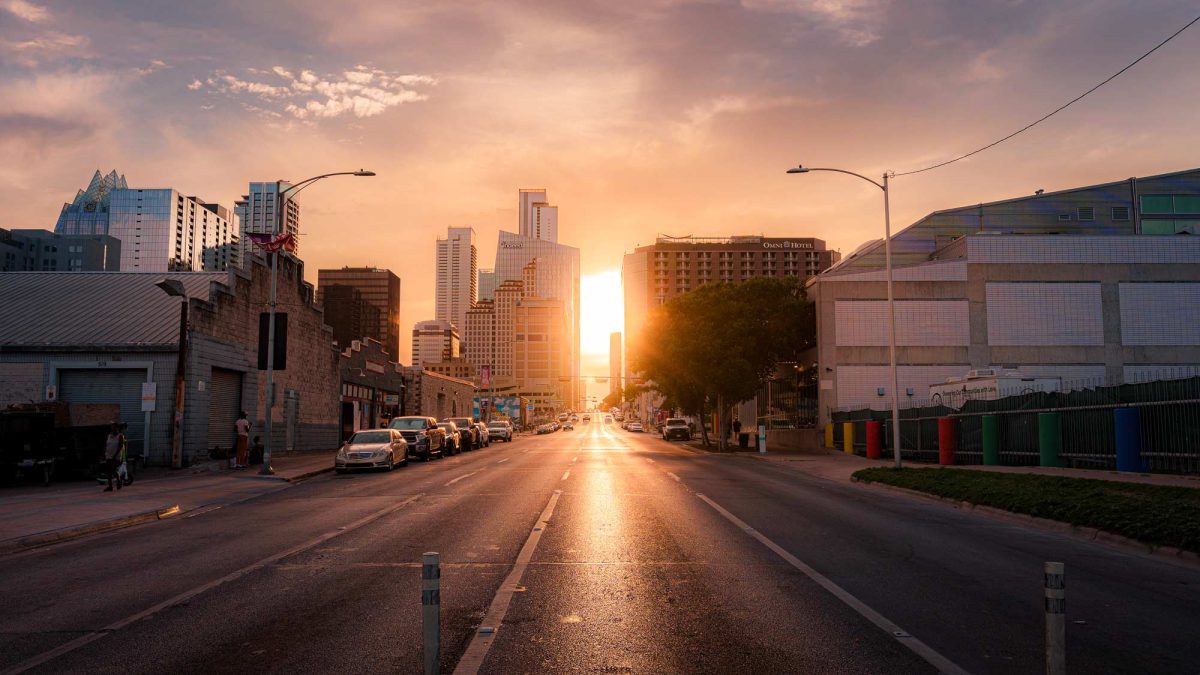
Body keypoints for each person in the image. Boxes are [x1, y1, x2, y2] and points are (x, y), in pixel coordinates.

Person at [103, 424, 124, 492]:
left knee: (113, 470)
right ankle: (110, 486)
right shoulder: (109, 436)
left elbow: (120, 446)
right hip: (108, 456)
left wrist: (115, 455)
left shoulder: (120, 436)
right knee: (108, 471)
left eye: (114, 428)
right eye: (112, 428)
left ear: (117, 428)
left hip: (116, 457)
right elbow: (107, 445)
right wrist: (105, 454)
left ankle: (119, 481)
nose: (113, 430)